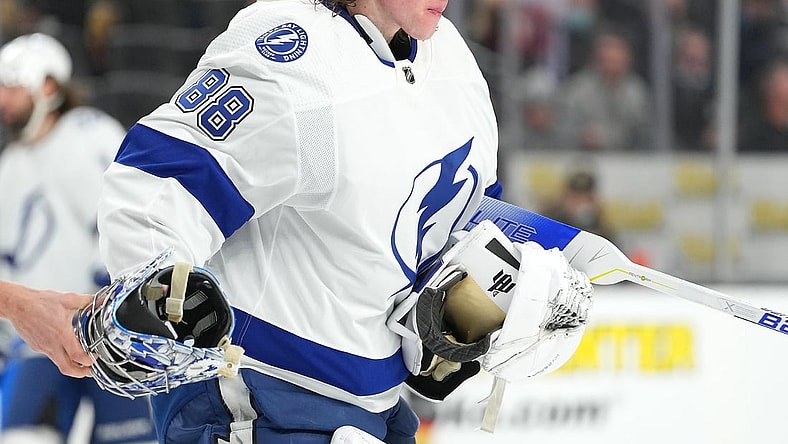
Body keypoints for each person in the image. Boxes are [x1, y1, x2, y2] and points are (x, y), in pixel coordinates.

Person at [6, 2, 593, 443]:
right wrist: (159, 291)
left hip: (381, 408)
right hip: (263, 405)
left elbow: (460, 217)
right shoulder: (293, 57)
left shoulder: (451, 57)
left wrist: (527, 273)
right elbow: (157, 184)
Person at [0, 33, 157, 444]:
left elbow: (128, 219)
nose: (3, 97)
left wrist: (120, 308)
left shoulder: (89, 134)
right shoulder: (10, 164)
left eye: (13, 85)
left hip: (109, 332)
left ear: (48, 86)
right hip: (38, 338)